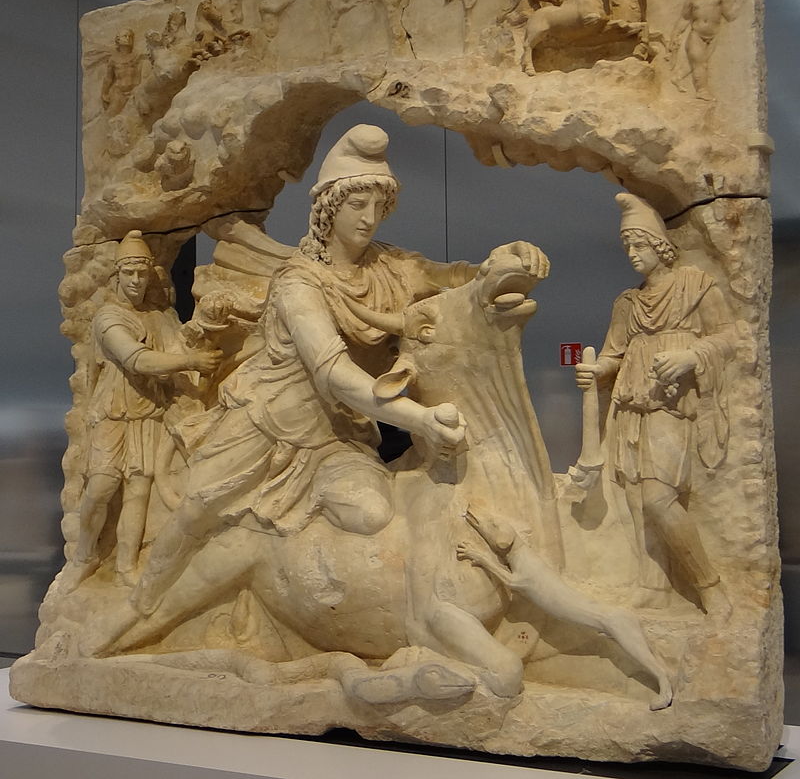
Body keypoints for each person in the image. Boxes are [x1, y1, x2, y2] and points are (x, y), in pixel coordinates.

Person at [127, 124, 548, 616]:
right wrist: (417, 418)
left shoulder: (392, 267)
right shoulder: (299, 283)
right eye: (357, 204)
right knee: (198, 508)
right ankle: (141, 602)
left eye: (379, 206)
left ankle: (272, 582)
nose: (369, 218)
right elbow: (333, 373)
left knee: (371, 513)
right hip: (267, 426)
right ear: (329, 207)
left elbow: (461, 279)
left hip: (340, 434)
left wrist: (509, 262)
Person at [576, 193, 735, 617]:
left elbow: (730, 337)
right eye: (626, 245)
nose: (632, 253)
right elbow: (614, 353)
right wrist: (597, 371)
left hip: (670, 401)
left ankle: (709, 585)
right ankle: (654, 585)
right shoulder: (627, 303)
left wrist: (691, 356)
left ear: (659, 245)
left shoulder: (694, 285)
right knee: (633, 500)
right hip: (631, 405)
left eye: (639, 244)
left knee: (657, 499)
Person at [62, 231, 221, 591]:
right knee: (101, 487)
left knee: (138, 491)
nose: (136, 281)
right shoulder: (108, 318)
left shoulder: (160, 318)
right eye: (129, 273)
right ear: (117, 275)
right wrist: (190, 360)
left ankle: (126, 565)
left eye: (142, 273)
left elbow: (180, 348)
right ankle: (84, 556)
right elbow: (136, 359)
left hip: (150, 411)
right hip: (113, 412)